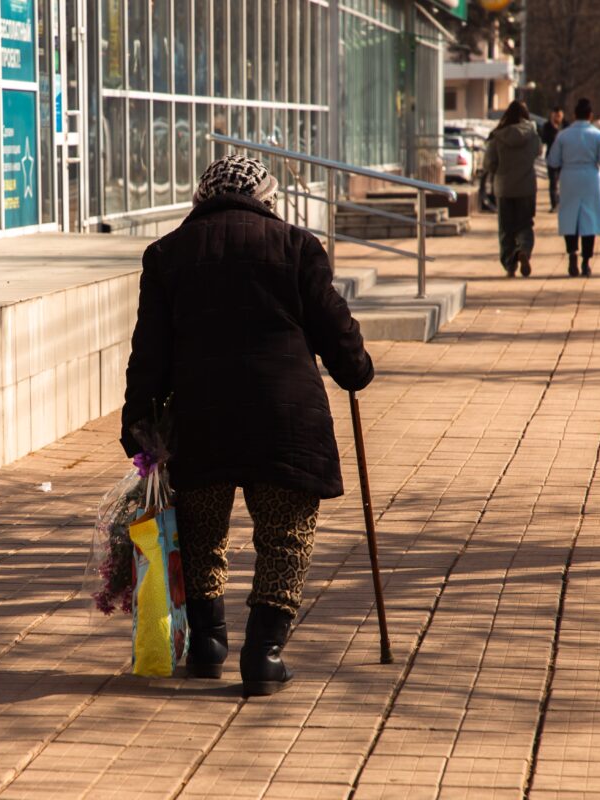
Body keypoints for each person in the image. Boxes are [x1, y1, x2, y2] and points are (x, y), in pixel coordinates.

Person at [121, 154, 374, 697]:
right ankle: (264, 655)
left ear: (201, 199)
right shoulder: (297, 247)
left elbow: (149, 353)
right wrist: (356, 369)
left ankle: (209, 645)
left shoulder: (167, 255)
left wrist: (139, 425)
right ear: (267, 200)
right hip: (284, 422)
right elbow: (336, 328)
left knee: (200, 536)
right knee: (285, 538)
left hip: (199, 422)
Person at [548, 98, 600, 277]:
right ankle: (586, 262)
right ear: (590, 116)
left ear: (575, 115)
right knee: (589, 220)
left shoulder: (563, 135)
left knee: (570, 218)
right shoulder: (598, 135)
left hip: (569, 178)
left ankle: (572, 255)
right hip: (591, 179)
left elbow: (553, 160)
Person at [485, 100, 541, 278]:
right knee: (525, 224)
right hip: (526, 187)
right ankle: (523, 249)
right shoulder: (532, 134)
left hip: (505, 188)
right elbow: (538, 152)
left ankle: (510, 263)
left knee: (506, 228)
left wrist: (500, 171)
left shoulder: (498, 136)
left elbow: (488, 163)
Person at [540, 107, 566, 211]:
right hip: (552, 158)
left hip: (565, 158)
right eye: (556, 116)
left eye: (560, 116)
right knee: (553, 182)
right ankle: (554, 204)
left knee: (564, 182)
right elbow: (543, 139)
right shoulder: (547, 126)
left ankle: (562, 202)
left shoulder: (566, 125)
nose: (558, 118)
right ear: (552, 115)